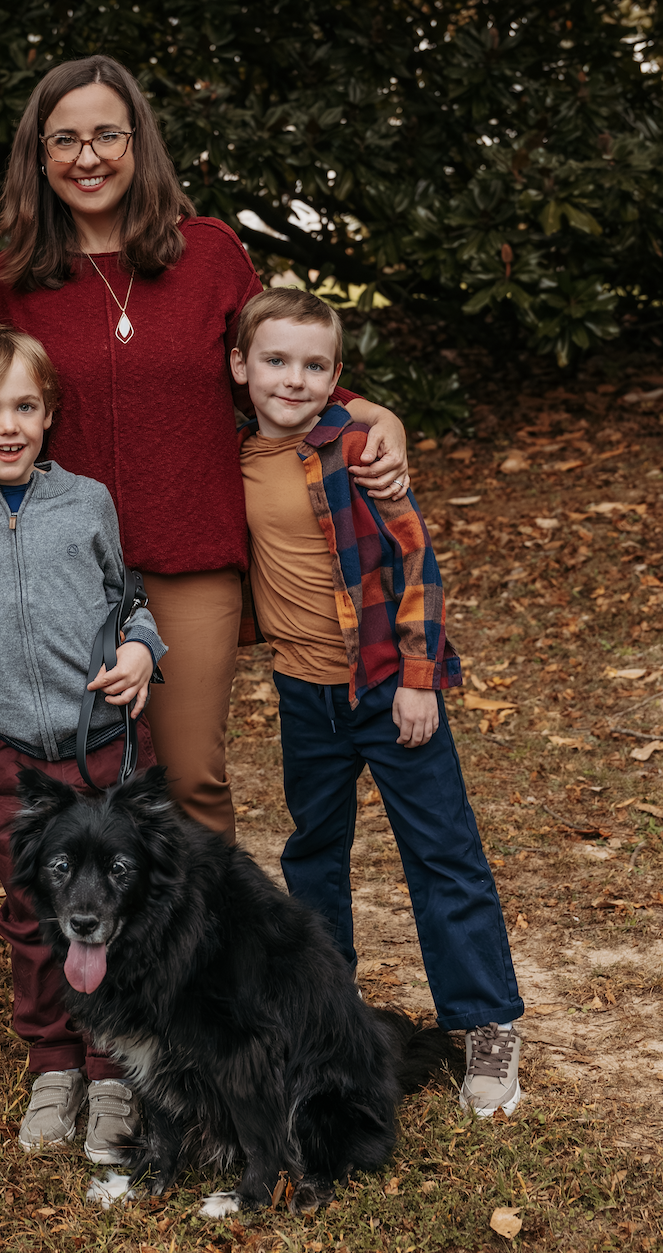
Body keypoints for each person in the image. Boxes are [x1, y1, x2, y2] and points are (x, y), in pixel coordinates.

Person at [0, 55, 411, 843]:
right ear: (38, 157)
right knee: (86, 784)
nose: (88, 157)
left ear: (138, 143)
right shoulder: (11, 281)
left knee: (186, 779)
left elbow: (273, 371)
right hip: (63, 571)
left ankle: (205, 958)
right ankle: (105, 958)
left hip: (190, 558)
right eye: (64, 140)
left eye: (108, 134)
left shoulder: (208, 253)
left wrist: (371, 413)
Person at [231, 286, 524, 1117]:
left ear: (338, 377)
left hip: (389, 690)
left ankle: (487, 1025)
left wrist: (421, 681)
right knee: (313, 856)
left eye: (315, 365)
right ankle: (328, 1019)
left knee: (442, 855)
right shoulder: (231, 449)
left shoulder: (357, 449)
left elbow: (417, 564)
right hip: (302, 693)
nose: (294, 379)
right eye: (277, 361)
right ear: (240, 367)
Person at [0, 323, 166, 1161]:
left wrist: (139, 651)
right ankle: (54, 1065)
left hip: (105, 754)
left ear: (49, 412)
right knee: (35, 912)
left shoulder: (86, 502)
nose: (7, 425)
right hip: (14, 757)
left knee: (116, 913)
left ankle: (115, 1069)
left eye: (24, 405)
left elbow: (128, 600)